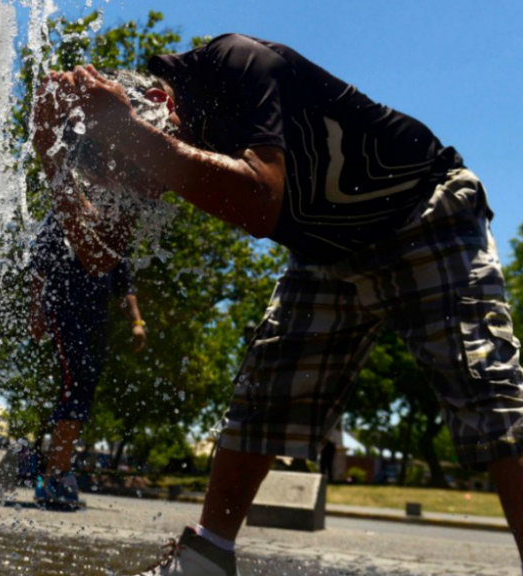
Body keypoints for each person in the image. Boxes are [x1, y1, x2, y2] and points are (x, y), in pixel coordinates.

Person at [33, 34, 523, 576]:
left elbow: (262, 200)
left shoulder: (236, 62)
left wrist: (129, 134)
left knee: (487, 391)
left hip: (422, 210)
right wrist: (47, 156)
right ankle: (206, 560)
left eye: (137, 174)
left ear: (159, 110)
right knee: (262, 398)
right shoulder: (147, 140)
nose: (148, 192)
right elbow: (100, 256)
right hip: (328, 251)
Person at [29, 214, 146, 507]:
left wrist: (137, 322)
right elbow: (39, 266)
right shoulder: (64, 211)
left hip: (97, 319)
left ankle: (59, 471)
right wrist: (36, 309)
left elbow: (124, 285)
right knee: (77, 381)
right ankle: (54, 476)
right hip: (63, 308)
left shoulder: (113, 218)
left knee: (85, 389)